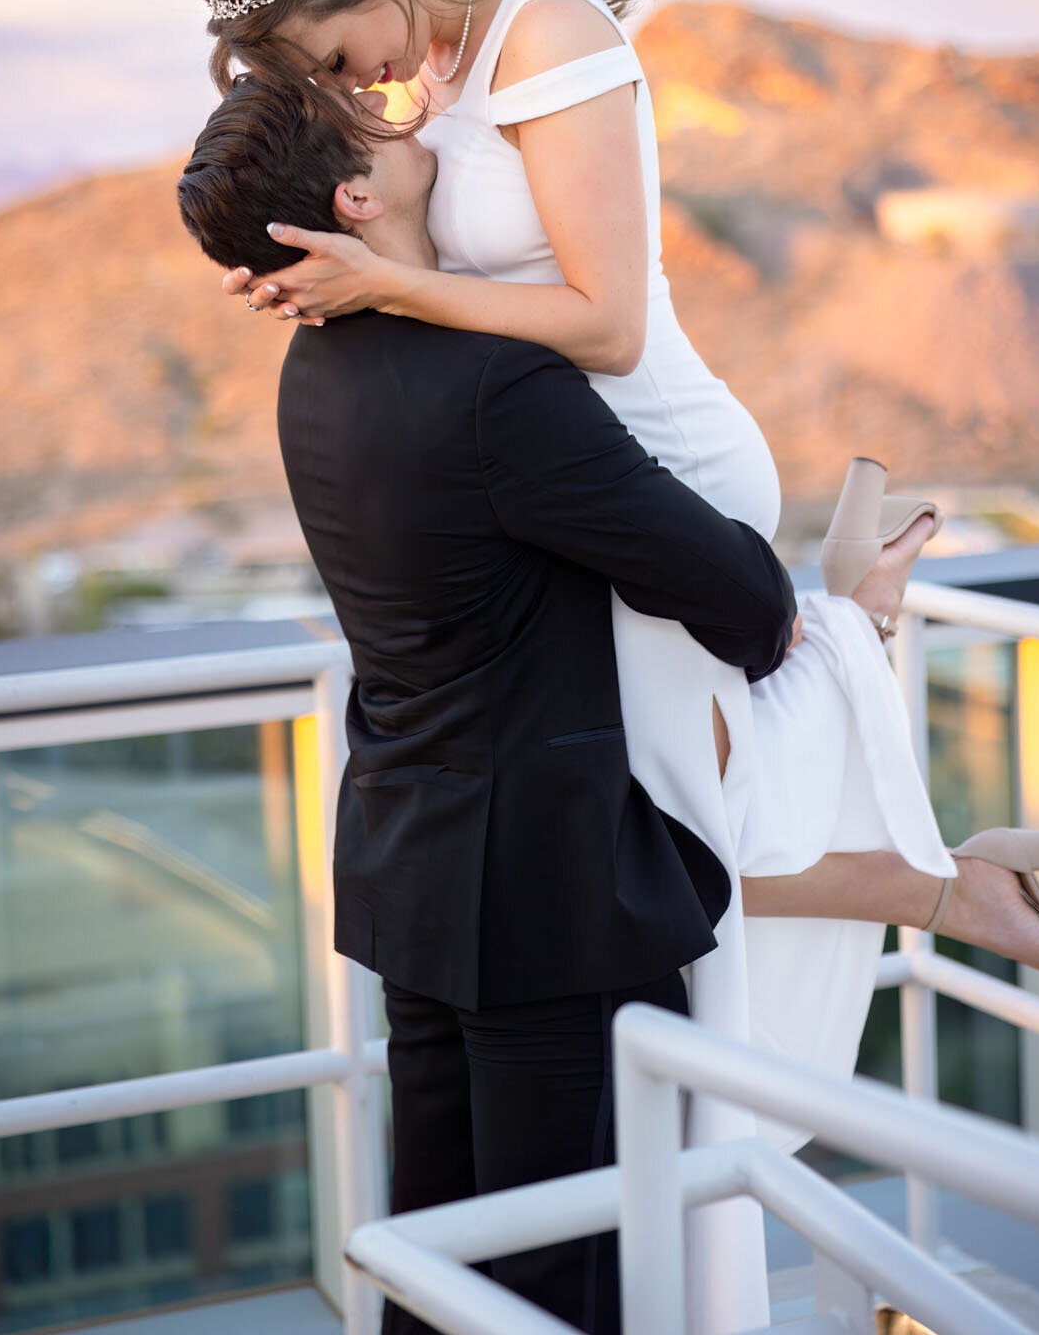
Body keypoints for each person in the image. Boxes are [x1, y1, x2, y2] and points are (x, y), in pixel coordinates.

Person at [164, 0, 1039, 1334]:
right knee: (660, 856)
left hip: (622, 449)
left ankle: (928, 852)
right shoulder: (432, 82)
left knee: (660, 855)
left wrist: (384, 286)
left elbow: (602, 324)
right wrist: (342, 276)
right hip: (552, 489)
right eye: (327, 86)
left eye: (340, 56)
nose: (352, 93)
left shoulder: (549, 29)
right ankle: (944, 873)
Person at [177, 76, 800, 1334]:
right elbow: (732, 589)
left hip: (418, 871)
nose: (410, 118)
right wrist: (795, 619)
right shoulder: (494, 386)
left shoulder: (316, 366)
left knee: (447, 1255)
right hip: (544, 901)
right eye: (381, 128)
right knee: (566, 1280)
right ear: (357, 198)